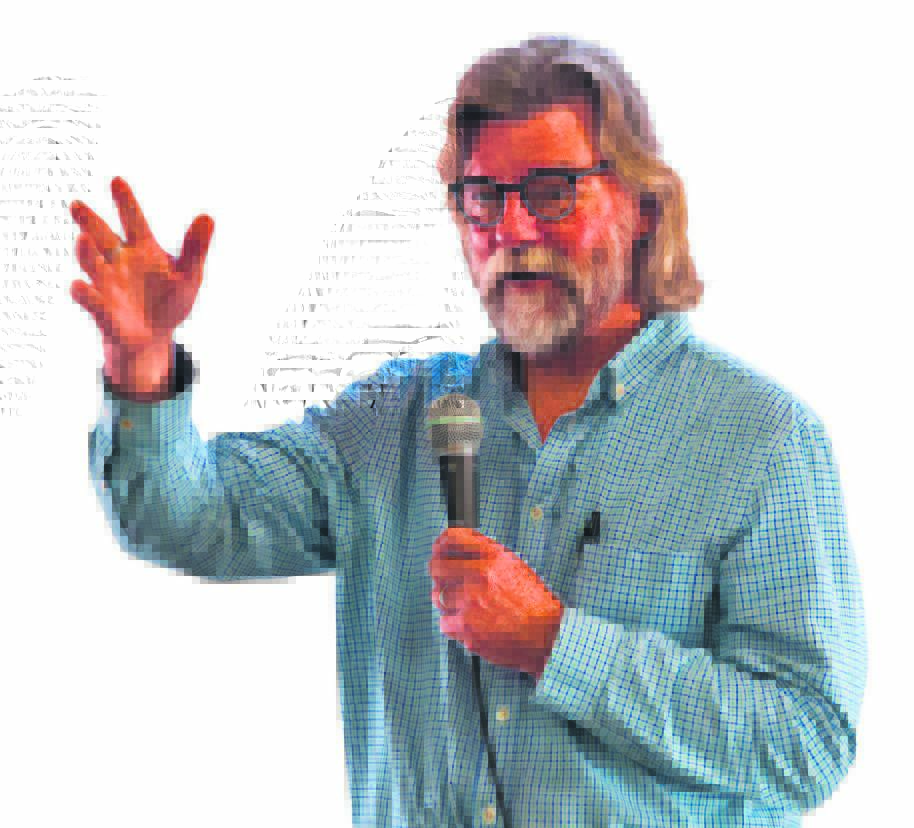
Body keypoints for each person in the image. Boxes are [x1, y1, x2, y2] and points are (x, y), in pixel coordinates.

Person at [71, 36, 866, 828]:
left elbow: (807, 741)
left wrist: (557, 644)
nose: (510, 227)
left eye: (551, 191)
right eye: (482, 195)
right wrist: (141, 365)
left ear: (644, 209)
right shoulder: (393, 423)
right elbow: (185, 517)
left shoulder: (760, 439)